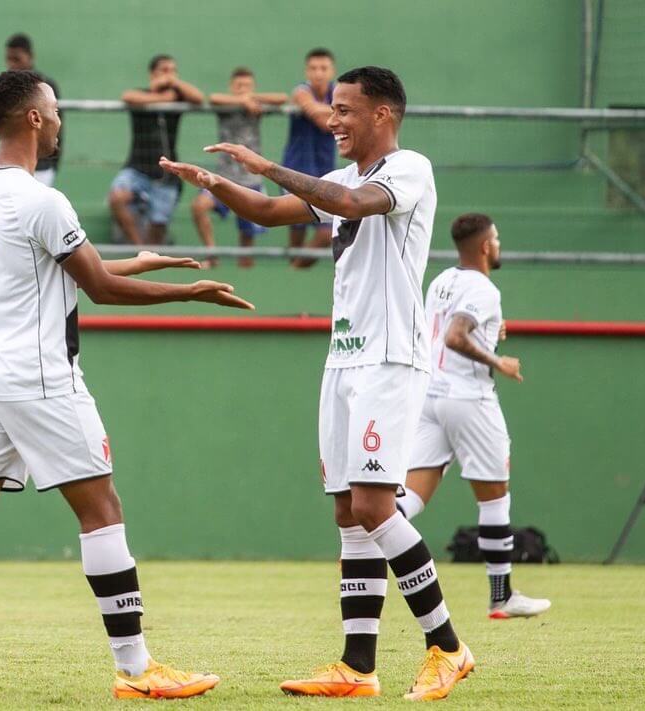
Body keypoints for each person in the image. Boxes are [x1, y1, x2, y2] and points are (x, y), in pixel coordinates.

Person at [0, 70, 252, 702]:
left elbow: (50, 270)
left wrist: (135, 260)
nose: (61, 118)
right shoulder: (43, 199)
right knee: (103, 510)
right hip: (37, 377)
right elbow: (98, 286)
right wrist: (188, 291)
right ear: (34, 119)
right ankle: (137, 669)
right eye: (55, 109)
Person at [162, 65, 473, 701]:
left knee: (372, 506)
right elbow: (273, 213)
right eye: (333, 109)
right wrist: (218, 182)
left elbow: (352, 205)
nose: (333, 120)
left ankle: (448, 647)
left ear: (382, 114)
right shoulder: (335, 177)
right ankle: (357, 666)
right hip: (344, 359)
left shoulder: (408, 168)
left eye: (345, 110)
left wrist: (265, 163)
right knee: (347, 512)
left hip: (390, 358)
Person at [399, 213, 551, 618]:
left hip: (430, 397)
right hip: (469, 398)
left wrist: (491, 331)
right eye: (497, 238)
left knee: (410, 496)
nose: (499, 245)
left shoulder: (442, 281)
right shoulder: (483, 288)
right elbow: (455, 335)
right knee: (494, 497)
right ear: (485, 246)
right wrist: (497, 361)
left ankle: (360, 550)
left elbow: (447, 330)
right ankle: (502, 596)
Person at [191, 67, 286, 268]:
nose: (243, 90)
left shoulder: (256, 105)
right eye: (239, 86)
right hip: (223, 177)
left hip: (251, 181)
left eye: (247, 86)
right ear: (231, 87)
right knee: (199, 206)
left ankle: (244, 270)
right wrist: (242, 100)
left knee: (247, 239)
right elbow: (214, 97)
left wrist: (251, 98)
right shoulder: (226, 106)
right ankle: (212, 254)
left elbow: (282, 98)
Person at [109, 54, 204, 246]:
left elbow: (199, 97)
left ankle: (151, 255)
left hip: (167, 175)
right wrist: (162, 98)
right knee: (117, 197)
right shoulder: (141, 95)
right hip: (137, 169)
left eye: (173, 71)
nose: (169, 75)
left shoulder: (178, 97)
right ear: (152, 74)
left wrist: (173, 83)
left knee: (158, 229)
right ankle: (139, 248)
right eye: (164, 70)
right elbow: (127, 96)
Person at [0, 33, 62, 187]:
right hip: (10, 166)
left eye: (17, 59)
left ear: (30, 56)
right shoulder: (4, 88)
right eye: (9, 59)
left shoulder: (44, 88)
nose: (12, 64)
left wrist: (53, 161)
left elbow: (57, 128)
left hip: (41, 168)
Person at [282, 48, 337, 268]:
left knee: (326, 232)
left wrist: (329, 111)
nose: (318, 73)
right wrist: (337, 112)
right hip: (294, 170)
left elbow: (325, 118)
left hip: (325, 172)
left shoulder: (338, 92)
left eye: (323, 68)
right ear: (307, 70)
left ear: (332, 71)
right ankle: (291, 269)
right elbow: (319, 118)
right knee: (296, 226)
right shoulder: (300, 91)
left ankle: (296, 267)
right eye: (314, 68)